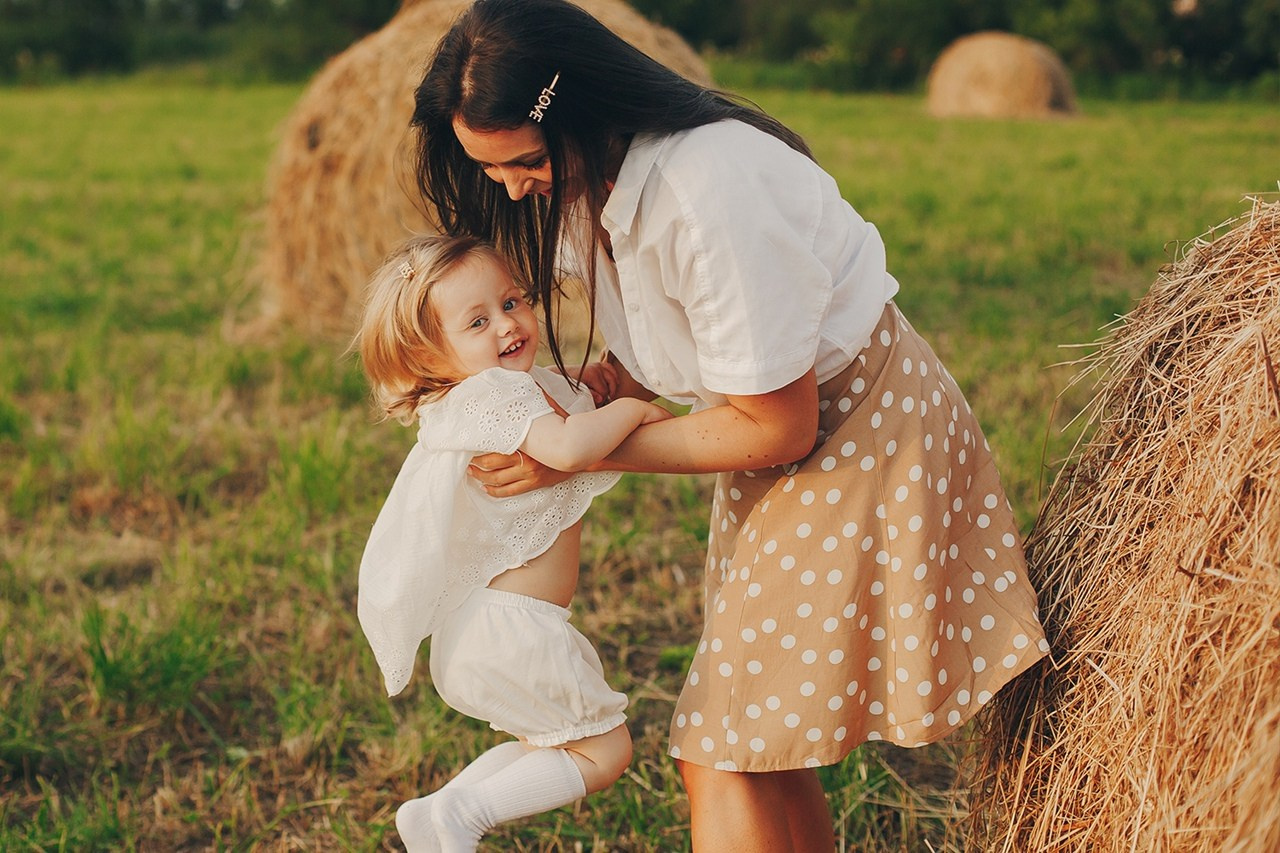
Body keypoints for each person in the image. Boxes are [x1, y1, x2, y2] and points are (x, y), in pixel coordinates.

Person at [409, 1, 1051, 849]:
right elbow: (667, 315)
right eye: (488, 170)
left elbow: (781, 423)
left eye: (523, 162)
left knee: (724, 747)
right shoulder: (582, 183)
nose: (510, 187)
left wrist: (578, 455)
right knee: (760, 738)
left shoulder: (708, 190)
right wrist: (611, 383)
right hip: (772, 438)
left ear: (585, 112)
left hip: (855, 431)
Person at [353, 233, 672, 852]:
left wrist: (600, 383)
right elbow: (571, 447)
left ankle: (437, 815)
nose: (507, 324)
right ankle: (461, 817)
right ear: (430, 355)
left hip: (483, 632)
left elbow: (566, 405)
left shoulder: (482, 393)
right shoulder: (492, 394)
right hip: (511, 629)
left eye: (512, 301)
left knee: (548, 746)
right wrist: (639, 414)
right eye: (477, 321)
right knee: (604, 752)